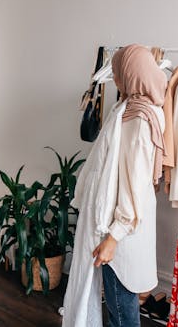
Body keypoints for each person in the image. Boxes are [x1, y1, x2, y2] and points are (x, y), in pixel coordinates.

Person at [62, 44, 167, 327]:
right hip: (113, 221)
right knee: (117, 301)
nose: (115, 78)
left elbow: (134, 182)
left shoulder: (140, 119)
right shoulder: (129, 107)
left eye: (118, 71)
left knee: (121, 306)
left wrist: (113, 236)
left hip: (119, 228)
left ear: (130, 73)